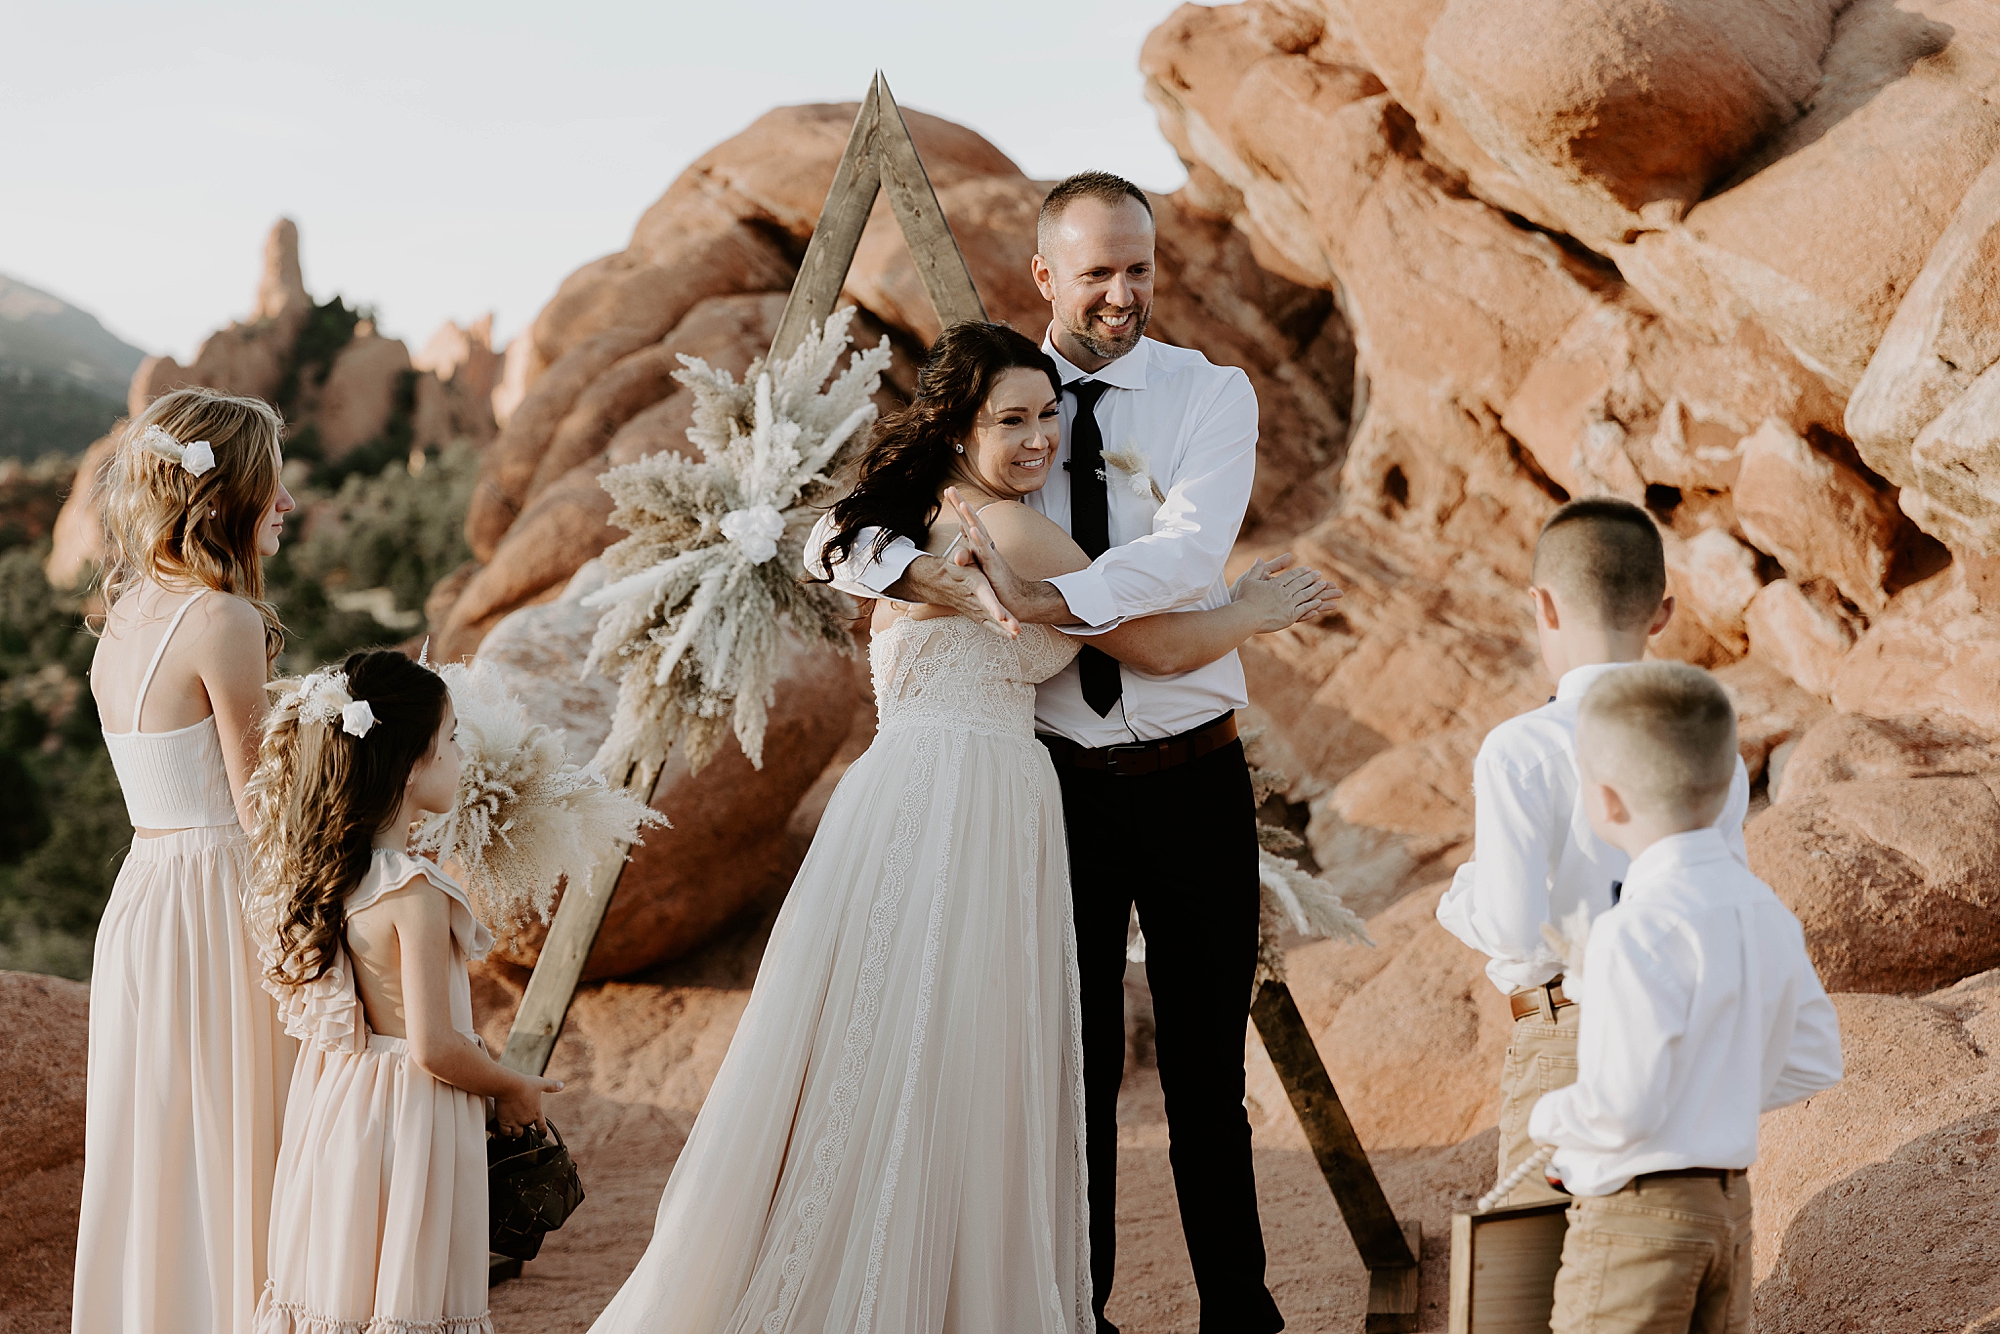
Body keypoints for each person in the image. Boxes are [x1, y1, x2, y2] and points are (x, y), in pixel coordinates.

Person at [587, 322, 1332, 1334]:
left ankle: (894, 1274)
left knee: (895, 1047)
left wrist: (911, 569)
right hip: (978, 802)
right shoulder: (1011, 533)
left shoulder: (899, 519)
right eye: (1011, 420)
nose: (1039, 439)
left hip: (895, 798)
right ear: (956, 427)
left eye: (1047, 416)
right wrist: (1251, 612)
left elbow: (827, 536)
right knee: (974, 1056)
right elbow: (1154, 649)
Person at [815, 171, 1312, 1333]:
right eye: (1096, 272)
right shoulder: (994, 403)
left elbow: (1186, 557)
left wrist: (1041, 599)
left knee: (1205, 1077)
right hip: (1052, 790)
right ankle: (1072, 1314)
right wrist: (931, 577)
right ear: (1045, 274)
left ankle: (1238, 1315)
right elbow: (836, 532)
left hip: (1193, 773)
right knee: (1068, 1076)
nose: (1122, 293)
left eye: (1140, 268)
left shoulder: (1208, 394)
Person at [1434, 497, 1750, 1207]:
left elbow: (1513, 929)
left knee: (1547, 1261)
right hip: (1687, 1031)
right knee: (1672, 1238)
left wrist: (1461, 900)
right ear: (1662, 614)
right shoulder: (1712, 743)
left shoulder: (1520, 748)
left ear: (1543, 605)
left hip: (1571, 1035)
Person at [248, 649, 561, 1334]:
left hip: (341, 1110)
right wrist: (511, 1086)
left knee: (344, 1285)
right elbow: (434, 1046)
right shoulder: (415, 893)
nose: (461, 755)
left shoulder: (338, 873)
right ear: (413, 762)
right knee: (408, 1289)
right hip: (410, 1118)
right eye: (451, 738)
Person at [75, 388, 300, 1334]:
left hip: (145, 895)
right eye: (273, 486)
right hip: (220, 898)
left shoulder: (127, 610)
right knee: (245, 1132)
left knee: (163, 1143)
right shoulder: (222, 620)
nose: (287, 505)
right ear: (228, 497)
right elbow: (259, 810)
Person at [1531, 663, 1842, 1332]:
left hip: (1637, 1218)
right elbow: (1816, 1059)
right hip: (1728, 1211)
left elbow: (1621, 1107)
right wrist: (1715, 1095)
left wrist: (1548, 1117)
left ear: (1606, 801)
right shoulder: (1766, 911)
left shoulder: (1632, 929)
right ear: (1729, 783)